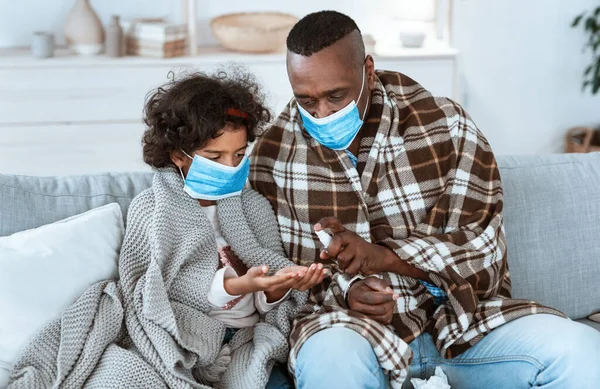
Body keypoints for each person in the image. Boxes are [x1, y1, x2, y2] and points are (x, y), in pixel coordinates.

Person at [250, 10, 600, 389]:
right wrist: (348, 292)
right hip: (346, 331)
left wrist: (383, 256)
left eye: (336, 96)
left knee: (579, 352)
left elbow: (482, 253)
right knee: (333, 363)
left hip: (461, 327)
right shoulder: (273, 153)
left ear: (368, 70)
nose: (321, 113)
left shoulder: (446, 125)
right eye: (306, 100)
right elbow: (276, 281)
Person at [140, 70, 328, 388]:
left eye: (239, 155)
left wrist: (279, 285)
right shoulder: (154, 208)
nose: (230, 166)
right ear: (177, 155)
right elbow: (155, 292)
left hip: (248, 340)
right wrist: (238, 285)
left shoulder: (253, 206)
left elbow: (267, 294)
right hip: (188, 335)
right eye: (214, 157)